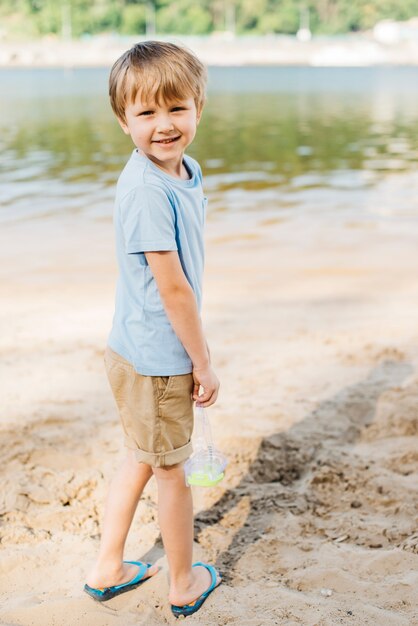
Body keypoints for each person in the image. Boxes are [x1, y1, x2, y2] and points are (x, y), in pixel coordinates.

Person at [83, 41, 222, 618]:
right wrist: (203, 360)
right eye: (146, 114)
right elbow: (172, 289)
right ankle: (183, 581)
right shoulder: (145, 189)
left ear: (197, 108)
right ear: (124, 121)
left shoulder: (181, 170)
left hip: (138, 348)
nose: (164, 125)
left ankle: (110, 566)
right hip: (158, 358)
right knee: (173, 474)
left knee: (141, 456)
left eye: (177, 108)